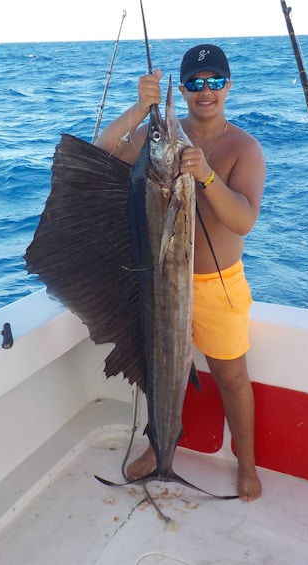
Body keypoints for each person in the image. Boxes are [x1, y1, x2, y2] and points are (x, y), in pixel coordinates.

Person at [94, 44, 265, 501]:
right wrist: (140, 108)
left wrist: (207, 175)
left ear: (227, 85)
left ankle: (246, 465)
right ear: (186, 90)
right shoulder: (164, 139)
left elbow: (244, 220)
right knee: (159, 370)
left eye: (213, 82)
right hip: (159, 281)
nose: (203, 92)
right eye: (194, 83)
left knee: (230, 377)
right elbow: (103, 150)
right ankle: (159, 449)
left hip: (217, 287)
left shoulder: (243, 147)